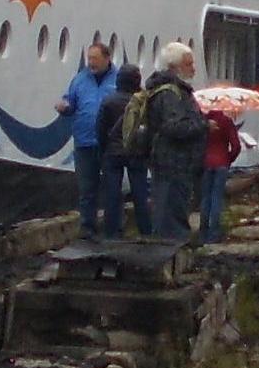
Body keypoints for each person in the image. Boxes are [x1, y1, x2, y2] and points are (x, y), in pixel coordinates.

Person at [144, 42, 211, 239]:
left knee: (173, 212)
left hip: (177, 164)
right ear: (175, 66)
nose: (194, 69)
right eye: (189, 64)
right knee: (171, 216)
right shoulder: (170, 94)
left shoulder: (175, 91)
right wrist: (203, 125)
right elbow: (173, 127)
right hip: (173, 163)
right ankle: (170, 256)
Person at [54, 41, 118, 238]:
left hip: (109, 143)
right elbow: (71, 101)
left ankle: (112, 230)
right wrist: (65, 106)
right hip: (84, 141)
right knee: (86, 188)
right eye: (89, 58)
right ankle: (87, 229)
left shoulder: (118, 79)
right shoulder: (80, 79)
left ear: (107, 59)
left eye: (95, 59)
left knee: (111, 188)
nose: (91, 63)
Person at [100, 62, 150, 237]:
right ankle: (145, 232)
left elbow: (100, 127)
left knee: (112, 195)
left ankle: (111, 233)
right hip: (137, 152)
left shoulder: (108, 101)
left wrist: (104, 148)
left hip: (113, 152)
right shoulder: (143, 101)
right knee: (140, 194)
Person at [198, 97, 242, 244]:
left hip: (206, 163)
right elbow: (236, 146)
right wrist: (229, 159)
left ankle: (202, 232)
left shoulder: (203, 122)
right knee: (217, 198)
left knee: (205, 198)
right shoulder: (226, 121)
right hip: (222, 162)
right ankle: (214, 233)